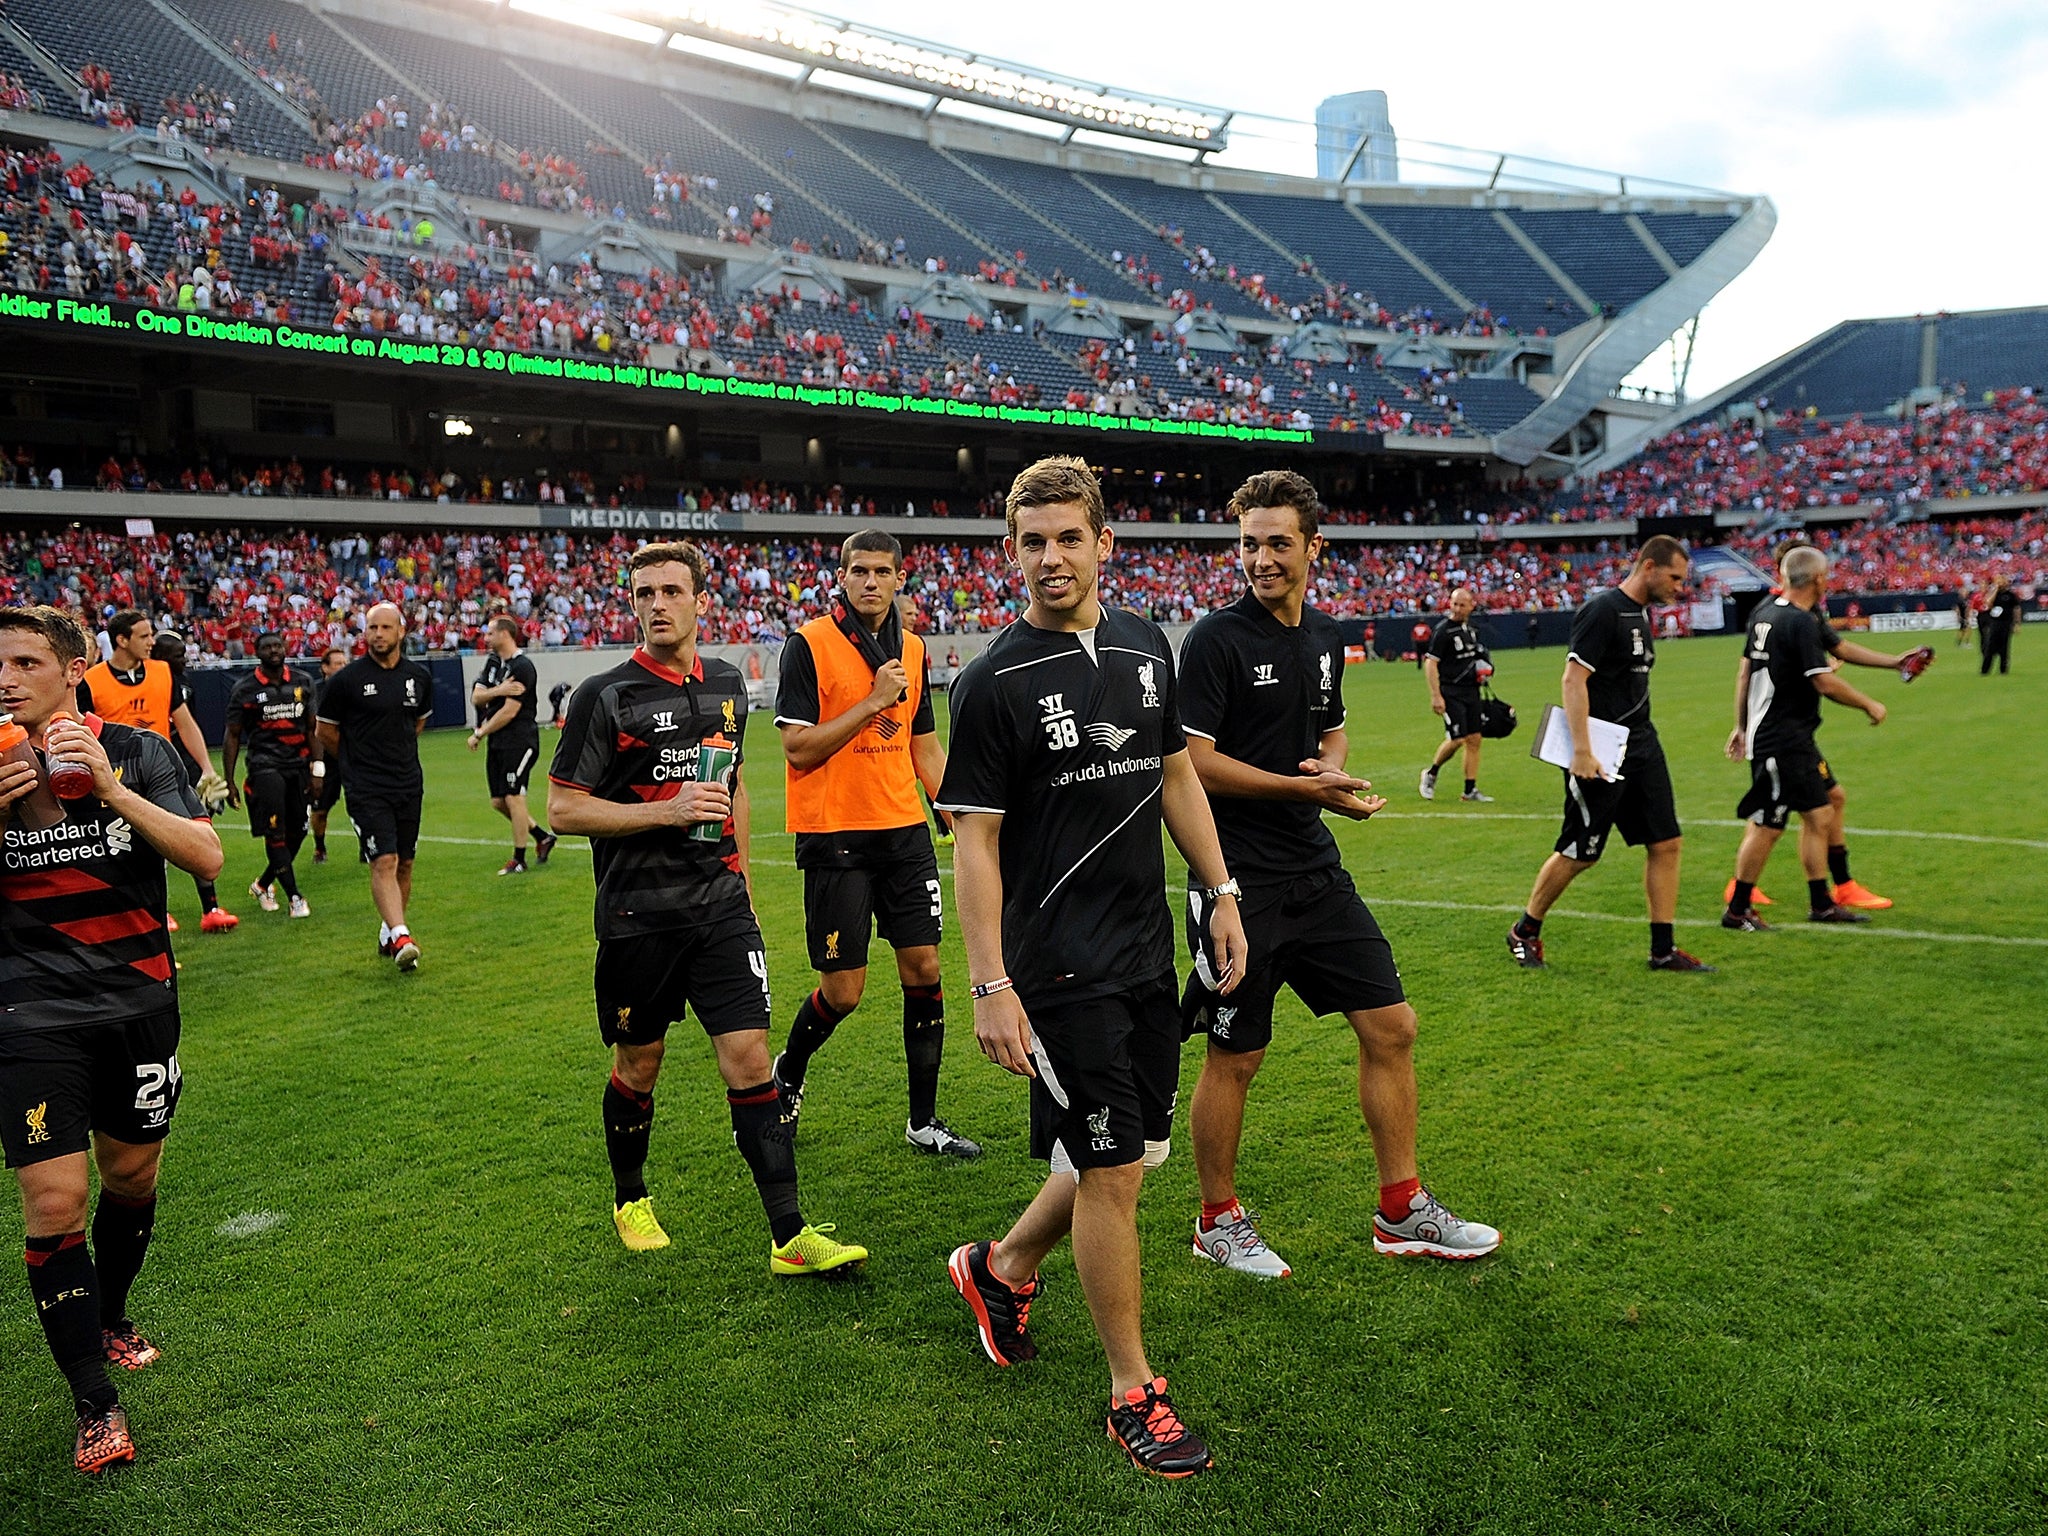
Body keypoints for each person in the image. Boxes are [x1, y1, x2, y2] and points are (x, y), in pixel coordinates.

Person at [937, 457, 1248, 1480]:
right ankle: (1133, 1393)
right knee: (1112, 1168)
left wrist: (1219, 891)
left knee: (1135, 1154)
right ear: (1009, 551)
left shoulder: (1141, 645)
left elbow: (1171, 774)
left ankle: (1000, 1265)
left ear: (1103, 543)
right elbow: (973, 843)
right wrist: (988, 983)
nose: (1050, 557)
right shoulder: (988, 684)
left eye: (1069, 537)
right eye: (1031, 540)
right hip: (1051, 966)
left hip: (1140, 948)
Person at [1179, 471, 1499, 1281]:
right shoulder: (1216, 641)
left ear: (1313, 546)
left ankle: (1402, 1210)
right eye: (1249, 544)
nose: (1261, 559)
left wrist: (1333, 774)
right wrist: (1304, 788)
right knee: (1236, 1057)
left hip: (1316, 870)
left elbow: (1334, 729)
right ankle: (1217, 1220)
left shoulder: (1327, 636)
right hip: (1235, 882)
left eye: (1278, 543)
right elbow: (1195, 767)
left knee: (1392, 1026)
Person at [548, 542, 867, 1275]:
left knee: (750, 1058)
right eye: (644, 593)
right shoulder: (605, 696)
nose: (657, 604)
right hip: (637, 917)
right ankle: (631, 1197)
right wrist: (666, 813)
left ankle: (790, 1236)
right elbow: (564, 809)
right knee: (641, 1060)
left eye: (671, 590)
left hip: (721, 908)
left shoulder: (728, 685)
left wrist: (744, 878)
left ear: (700, 600)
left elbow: (737, 787)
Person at [0, 605, 224, 1475]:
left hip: (137, 1006)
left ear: (72, 667)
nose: (7, 678)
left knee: (132, 1178)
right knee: (56, 1204)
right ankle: (96, 1405)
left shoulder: (138, 750)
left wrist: (114, 790)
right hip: (28, 1019)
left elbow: (204, 858)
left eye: (24, 661)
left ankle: (114, 1311)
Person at [773, 530, 978, 1157]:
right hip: (835, 835)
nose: (869, 581)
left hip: (902, 833)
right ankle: (788, 1070)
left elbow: (923, 745)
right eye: (857, 570)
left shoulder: (911, 648)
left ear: (899, 580)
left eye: (881, 572)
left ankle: (923, 1121)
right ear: (840, 576)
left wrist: (953, 811)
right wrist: (870, 703)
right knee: (845, 992)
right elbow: (797, 747)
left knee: (925, 969)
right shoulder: (807, 645)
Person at [1507, 537, 1711, 972]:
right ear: (1650, 567)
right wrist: (1581, 751)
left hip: (1642, 744)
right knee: (1582, 850)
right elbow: (1572, 679)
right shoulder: (1603, 610)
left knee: (1666, 842)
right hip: (1599, 749)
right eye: (1674, 577)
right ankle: (1525, 929)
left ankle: (1663, 949)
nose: (1679, 586)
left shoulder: (1640, 614)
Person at [1722, 541, 1925, 912]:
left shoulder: (1770, 612)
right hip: (1781, 737)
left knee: (1826, 804)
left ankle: (1826, 899)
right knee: (1773, 822)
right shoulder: (1797, 620)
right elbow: (1823, 681)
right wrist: (1869, 703)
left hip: (1787, 734)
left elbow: (1835, 649)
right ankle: (1741, 907)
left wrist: (1894, 662)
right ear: (1817, 577)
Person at [85, 610, 236, 933]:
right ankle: (152, 911)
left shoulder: (162, 672)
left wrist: (207, 768)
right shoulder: (92, 681)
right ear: (122, 641)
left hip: (162, 771)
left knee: (191, 831)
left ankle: (210, 909)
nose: (152, 642)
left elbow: (184, 723)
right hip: (117, 778)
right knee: (131, 849)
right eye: (144, 635)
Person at [316, 603, 433, 971]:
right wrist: (356, 762)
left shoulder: (418, 677)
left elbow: (416, 724)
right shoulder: (345, 681)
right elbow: (326, 732)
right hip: (366, 786)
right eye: (372, 628)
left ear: (401, 631)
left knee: (406, 862)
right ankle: (401, 935)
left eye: (385, 627)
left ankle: (388, 931)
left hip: (408, 782)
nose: (378, 634)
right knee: (383, 859)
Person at [221, 632, 319, 918]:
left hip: (299, 767)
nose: (274, 651)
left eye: (278, 645)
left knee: (299, 830)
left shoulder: (303, 681)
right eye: (267, 647)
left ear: (286, 648)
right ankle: (295, 897)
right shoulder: (245, 688)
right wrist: (229, 780)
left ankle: (263, 884)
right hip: (266, 767)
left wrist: (318, 769)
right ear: (257, 652)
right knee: (275, 830)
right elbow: (233, 735)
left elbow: (313, 729)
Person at [468, 617, 556, 875]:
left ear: (505, 634)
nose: (486, 638)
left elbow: (509, 711)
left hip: (519, 741)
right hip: (499, 742)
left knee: (514, 796)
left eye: (491, 633)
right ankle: (542, 836)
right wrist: (499, 690)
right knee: (498, 802)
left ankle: (519, 858)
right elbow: (476, 696)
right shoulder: (494, 664)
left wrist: (480, 732)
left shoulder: (523, 666)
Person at [1419, 586, 1492, 802]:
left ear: (1471, 606)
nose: (1457, 608)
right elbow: (1431, 663)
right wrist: (1436, 695)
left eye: (1462, 604)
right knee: (1457, 738)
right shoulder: (1444, 631)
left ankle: (1470, 790)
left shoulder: (1471, 629)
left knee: (1475, 739)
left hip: (1472, 691)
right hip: (1451, 692)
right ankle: (1431, 773)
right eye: (1454, 604)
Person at [309, 645, 349, 863]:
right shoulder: (315, 692)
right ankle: (320, 847)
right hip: (326, 760)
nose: (343, 667)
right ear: (325, 668)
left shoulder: (353, 689)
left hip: (351, 755)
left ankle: (367, 847)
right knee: (321, 808)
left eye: (345, 663)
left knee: (362, 804)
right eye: (337, 664)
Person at [1980, 577, 2017, 675]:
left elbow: (2016, 609)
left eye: (2002, 581)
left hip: (2006, 623)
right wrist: (1995, 589)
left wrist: (2016, 623)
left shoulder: (2011, 595)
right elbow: (1988, 602)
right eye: (1998, 581)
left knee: (2004, 647)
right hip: (1994, 623)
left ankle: (2003, 670)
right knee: (1990, 646)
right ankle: (1985, 670)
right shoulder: (1994, 594)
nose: (2001, 583)